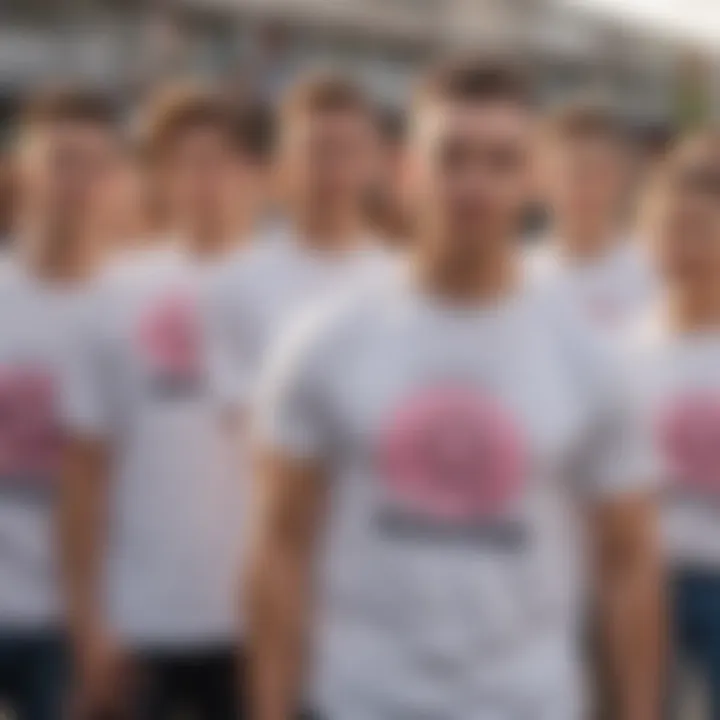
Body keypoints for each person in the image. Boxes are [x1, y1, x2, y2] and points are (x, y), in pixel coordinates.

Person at [248, 57, 664, 720]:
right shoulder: (324, 340)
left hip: (528, 701)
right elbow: (279, 545)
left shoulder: (590, 358)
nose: (474, 183)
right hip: (362, 698)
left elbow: (629, 564)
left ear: (531, 180)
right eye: (452, 156)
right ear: (407, 171)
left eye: (501, 161)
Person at [59, 88, 265, 720]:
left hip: (256, 628)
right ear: (162, 177)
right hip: (138, 622)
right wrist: (90, 622)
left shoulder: (294, 291)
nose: (205, 182)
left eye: (221, 162)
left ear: (255, 174)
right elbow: (84, 472)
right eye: (186, 163)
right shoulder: (114, 292)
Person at [0, 88, 121, 720]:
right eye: (59, 161)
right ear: (20, 169)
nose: (74, 182)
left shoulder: (130, 313)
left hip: (73, 627)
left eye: (92, 165)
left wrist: (103, 627)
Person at [209, 73, 391, 412]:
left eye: (348, 151)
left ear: (374, 164)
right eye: (317, 150)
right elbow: (238, 417)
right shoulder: (235, 283)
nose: (333, 169)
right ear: (283, 163)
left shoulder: (401, 284)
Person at [624, 130, 720, 718]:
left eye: (698, 227)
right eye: (666, 227)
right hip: (641, 582)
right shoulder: (621, 352)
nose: (679, 244)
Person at [530, 103, 656, 330]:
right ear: (541, 178)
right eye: (574, 173)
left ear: (624, 178)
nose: (587, 188)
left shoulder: (658, 272)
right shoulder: (518, 277)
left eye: (601, 173)